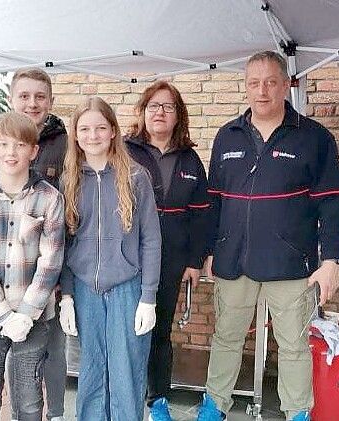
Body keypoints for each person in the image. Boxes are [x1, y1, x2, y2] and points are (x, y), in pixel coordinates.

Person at [197, 51, 339, 421]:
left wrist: (332, 260)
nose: (261, 91)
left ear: (286, 85)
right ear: (245, 87)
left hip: (290, 264)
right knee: (226, 339)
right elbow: (213, 201)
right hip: (233, 261)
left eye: (270, 82)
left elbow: (334, 202)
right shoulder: (226, 136)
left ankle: (298, 413)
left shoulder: (314, 138)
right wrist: (207, 251)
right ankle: (214, 408)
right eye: (253, 83)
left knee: (294, 345)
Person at [0, 68, 69, 421]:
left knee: (35, 385)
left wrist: (28, 311)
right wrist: (2, 313)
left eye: (39, 96)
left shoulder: (62, 150)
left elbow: (52, 252)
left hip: (41, 288)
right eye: (24, 96)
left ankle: (56, 413)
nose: (32, 103)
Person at [58, 97, 161, 421]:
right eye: (85, 128)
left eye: (101, 127)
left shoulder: (135, 177)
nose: (93, 135)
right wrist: (68, 297)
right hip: (86, 290)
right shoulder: (69, 180)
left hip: (127, 289)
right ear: (75, 134)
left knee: (126, 370)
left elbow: (151, 239)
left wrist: (148, 298)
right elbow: (65, 243)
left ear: (113, 131)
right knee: (91, 370)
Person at [126, 81, 210, 421]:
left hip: (171, 259)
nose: (159, 112)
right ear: (143, 113)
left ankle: (158, 400)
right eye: (153, 106)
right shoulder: (125, 151)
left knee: (159, 330)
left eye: (168, 107)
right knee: (127, 328)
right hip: (128, 257)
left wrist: (195, 260)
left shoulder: (190, 159)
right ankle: (127, 394)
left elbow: (202, 214)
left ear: (179, 116)